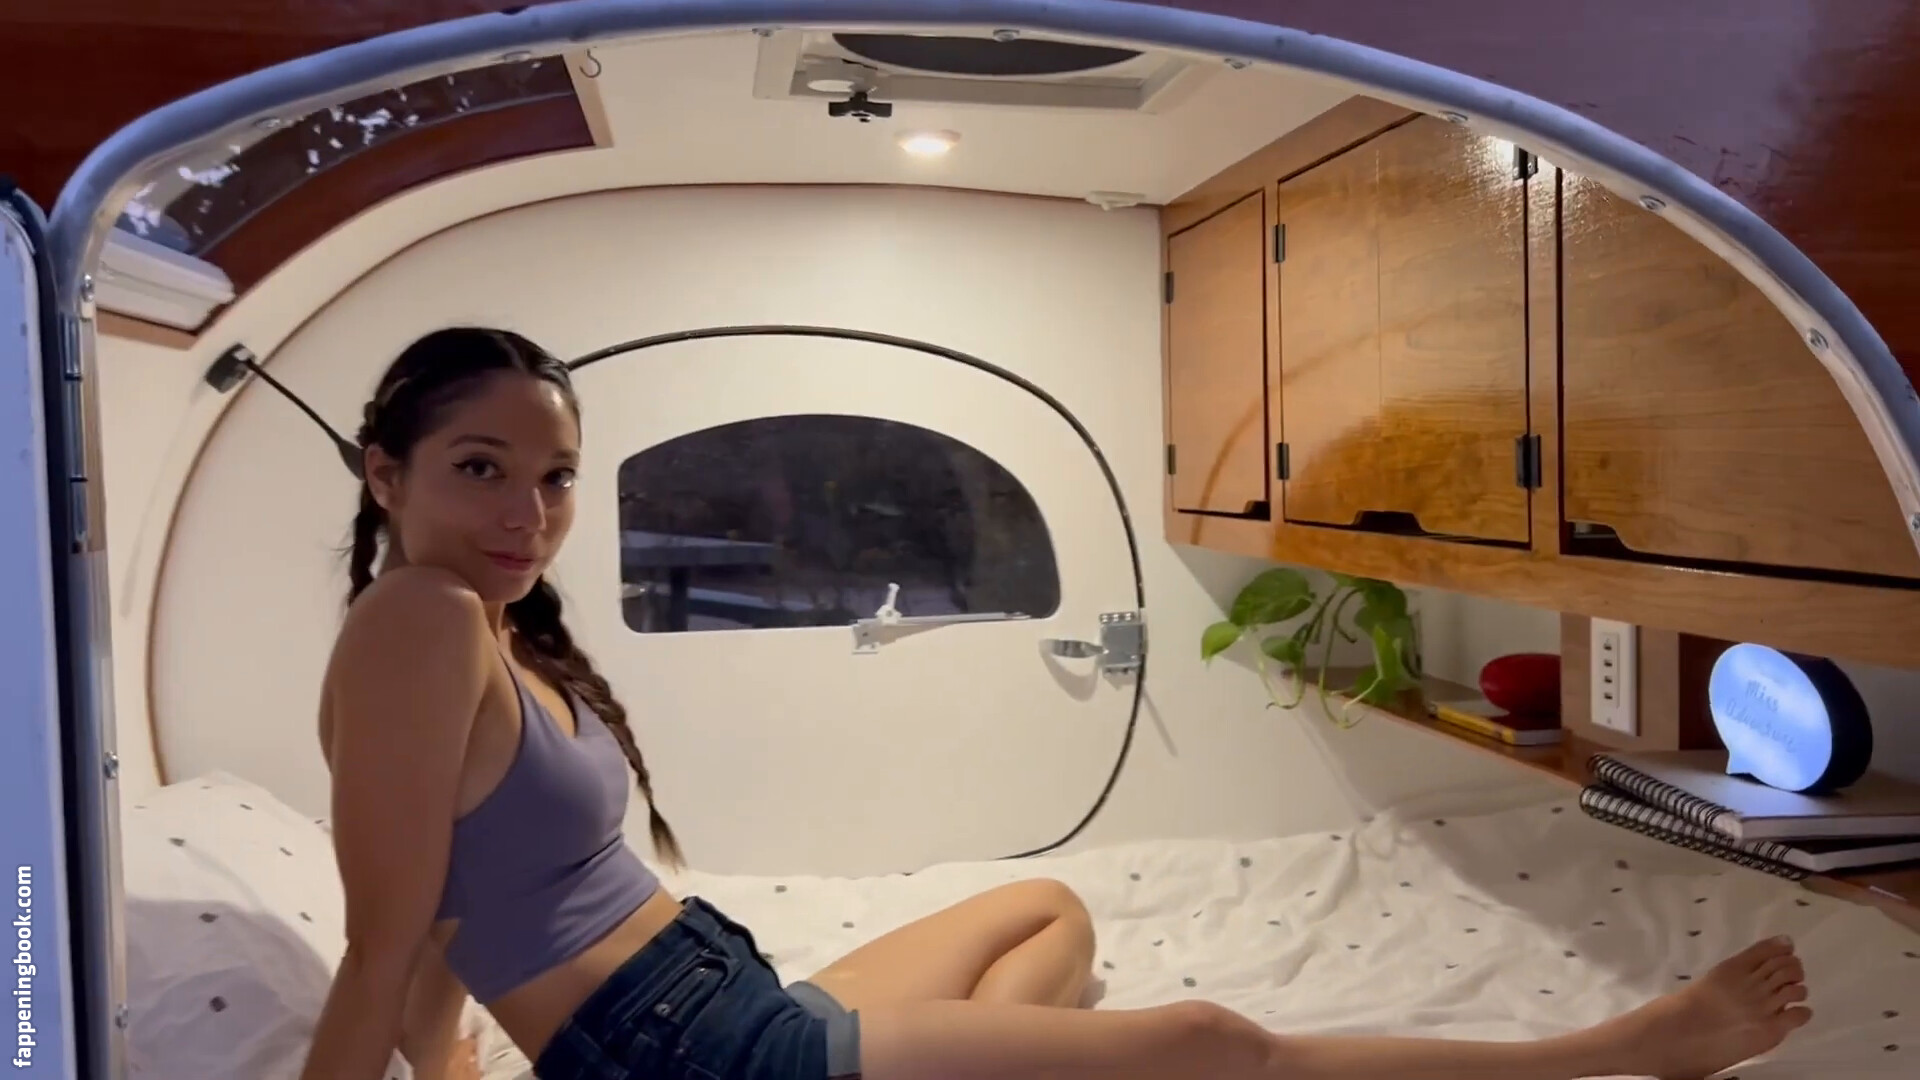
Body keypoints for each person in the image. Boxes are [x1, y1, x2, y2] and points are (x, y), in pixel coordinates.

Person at [299, 326, 1814, 1080]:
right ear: (385, 472)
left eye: (556, 476)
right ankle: (1625, 1049)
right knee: (1212, 1041)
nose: (529, 514)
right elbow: (385, 944)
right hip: (696, 1055)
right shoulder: (420, 623)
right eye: (481, 470)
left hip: (710, 994)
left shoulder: (478, 628)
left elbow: (446, 920)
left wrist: (454, 1066)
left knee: (1048, 911)